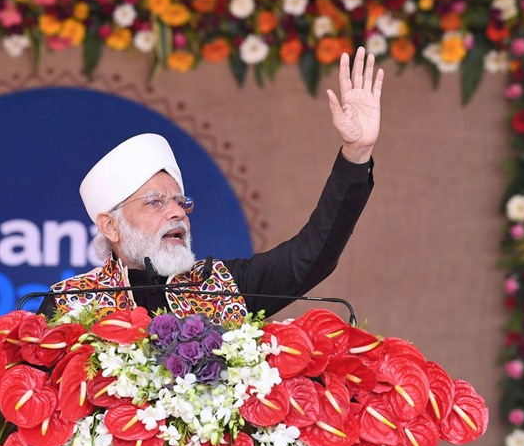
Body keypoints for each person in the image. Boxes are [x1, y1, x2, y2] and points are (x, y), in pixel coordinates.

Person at [38, 47, 383, 324]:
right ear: (110, 225)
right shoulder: (69, 306)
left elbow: (312, 256)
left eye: (179, 201)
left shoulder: (221, 287)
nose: (177, 212)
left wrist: (356, 153)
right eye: (155, 203)